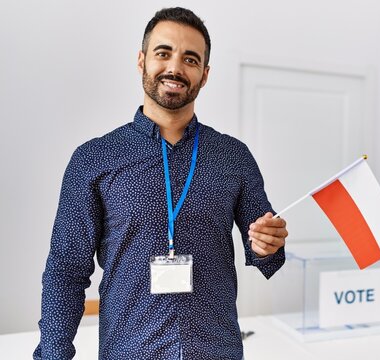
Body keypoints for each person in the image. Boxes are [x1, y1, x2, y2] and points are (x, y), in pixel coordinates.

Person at [34, 7, 288, 360]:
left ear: (205, 74)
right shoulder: (94, 159)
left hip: (216, 350)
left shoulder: (233, 157)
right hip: (129, 350)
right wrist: (52, 354)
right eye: (163, 53)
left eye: (190, 59)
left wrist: (269, 244)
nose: (175, 68)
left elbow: (268, 257)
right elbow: (66, 269)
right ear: (142, 61)